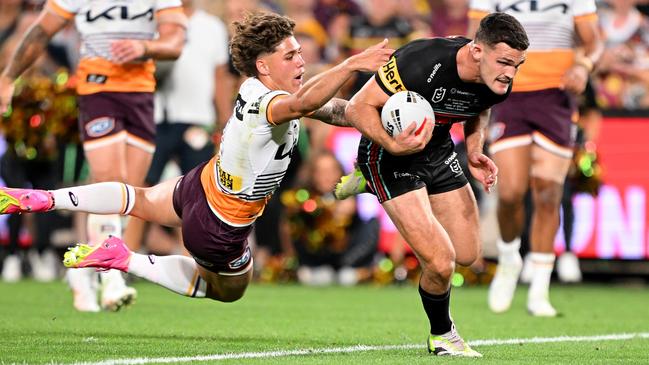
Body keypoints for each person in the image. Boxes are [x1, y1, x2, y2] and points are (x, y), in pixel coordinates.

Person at [0, 12, 392, 307]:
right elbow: (308, 102)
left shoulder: (260, 88)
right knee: (227, 290)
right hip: (221, 222)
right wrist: (350, 63)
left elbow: (332, 108)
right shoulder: (271, 102)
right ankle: (126, 259)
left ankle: (47, 199)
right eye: (291, 56)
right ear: (263, 65)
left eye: (300, 53)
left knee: (139, 198)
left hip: (201, 184)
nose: (301, 62)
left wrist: (378, 114)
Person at [335, 12, 528, 357]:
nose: (510, 73)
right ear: (476, 51)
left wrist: (474, 149)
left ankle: (363, 173)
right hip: (388, 153)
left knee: (468, 254)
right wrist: (393, 145)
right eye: (504, 62)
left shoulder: (498, 80)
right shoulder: (421, 61)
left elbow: (479, 107)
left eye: (517, 64)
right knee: (441, 263)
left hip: (436, 147)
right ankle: (442, 334)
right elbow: (357, 108)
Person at [0, 0, 187, 312]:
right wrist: (8, 77)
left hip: (141, 93)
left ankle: (83, 270)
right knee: (109, 178)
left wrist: (144, 48)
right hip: (97, 88)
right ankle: (110, 277)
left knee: (132, 190)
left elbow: (175, 41)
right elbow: (41, 31)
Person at [467, 1, 604, 317]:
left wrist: (583, 66)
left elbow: (594, 41)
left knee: (547, 192)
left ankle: (540, 289)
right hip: (508, 93)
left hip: (556, 96)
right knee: (511, 191)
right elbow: (474, 41)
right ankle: (508, 257)